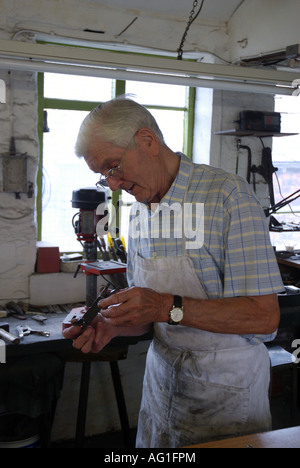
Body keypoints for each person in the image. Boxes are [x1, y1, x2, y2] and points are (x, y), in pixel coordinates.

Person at [63, 97, 284, 448]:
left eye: (114, 166)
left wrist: (166, 306)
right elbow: (151, 315)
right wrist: (112, 324)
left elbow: (264, 317)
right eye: (105, 176)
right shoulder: (139, 214)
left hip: (224, 395)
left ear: (147, 141)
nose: (114, 184)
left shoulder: (227, 197)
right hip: (162, 389)